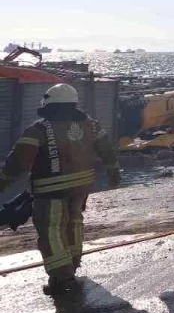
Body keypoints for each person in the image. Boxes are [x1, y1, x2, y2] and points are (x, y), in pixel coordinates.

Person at [0, 83, 120, 294]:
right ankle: (71, 267)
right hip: (81, 189)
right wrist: (113, 173)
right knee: (74, 225)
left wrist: (2, 183)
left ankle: (62, 279)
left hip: (51, 191)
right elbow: (107, 150)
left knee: (52, 232)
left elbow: (17, 164)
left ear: (48, 105)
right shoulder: (91, 125)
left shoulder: (39, 130)